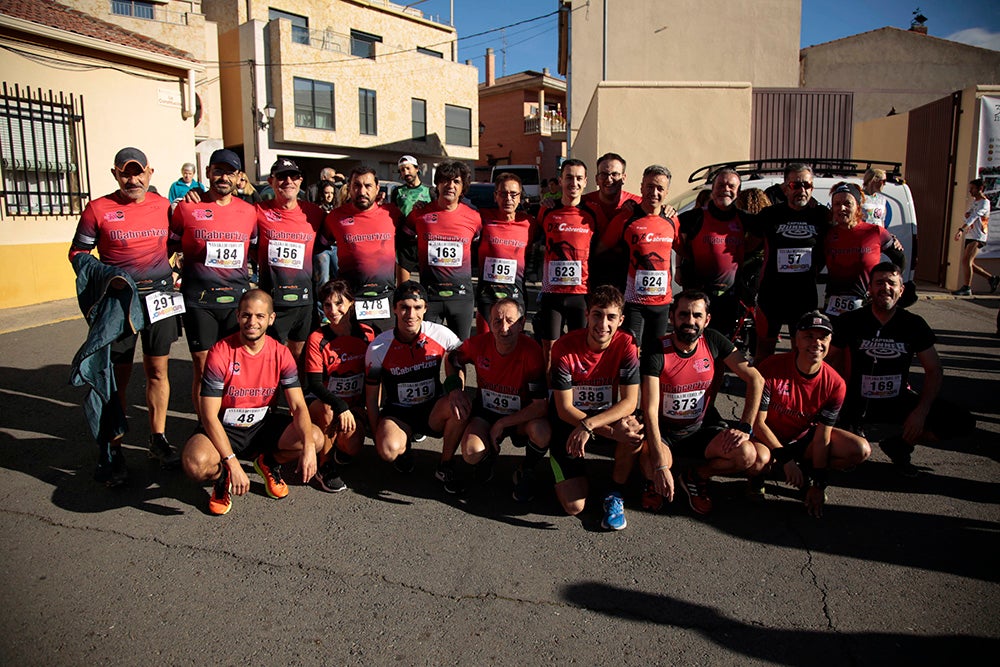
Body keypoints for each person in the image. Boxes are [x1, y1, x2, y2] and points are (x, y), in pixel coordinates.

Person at [69, 147, 181, 484]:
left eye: (138, 172)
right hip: (121, 302)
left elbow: (178, 242)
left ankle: (157, 439)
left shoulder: (164, 206)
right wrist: (104, 275)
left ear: (149, 172)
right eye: (125, 173)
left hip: (160, 297)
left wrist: (178, 269)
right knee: (116, 377)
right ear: (116, 174)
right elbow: (77, 252)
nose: (132, 179)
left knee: (158, 371)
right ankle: (114, 446)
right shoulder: (98, 209)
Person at [180, 290, 324, 515]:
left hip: (261, 426)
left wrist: (307, 446)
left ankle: (268, 461)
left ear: (271, 319)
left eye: (259, 316)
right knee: (195, 463)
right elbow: (208, 415)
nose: (252, 322)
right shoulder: (220, 352)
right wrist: (232, 463)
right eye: (246, 315)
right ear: (237, 316)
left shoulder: (281, 353)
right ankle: (223, 476)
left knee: (314, 438)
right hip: (225, 427)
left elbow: (297, 406)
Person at [829, 262, 976, 475]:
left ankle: (900, 444)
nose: (885, 288)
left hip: (896, 400)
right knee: (846, 452)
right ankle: (847, 436)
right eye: (879, 283)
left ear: (901, 289)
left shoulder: (913, 324)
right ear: (869, 288)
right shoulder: (850, 321)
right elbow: (829, 360)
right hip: (854, 400)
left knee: (961, 422)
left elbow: (934, 369)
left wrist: (921, 411)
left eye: (891, 283)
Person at [640, 290, 766, 515]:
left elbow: (756, 379)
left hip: (701, 429)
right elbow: (649, 410)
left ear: (707, 319)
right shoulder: (657, 349)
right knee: (651, 464)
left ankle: (696, 476)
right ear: (672, 317)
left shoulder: (714, 340)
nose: (690, 321)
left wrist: (745, 426)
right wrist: (659, 465)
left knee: (747, 455)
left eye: (697, 315)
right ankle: (654, 481)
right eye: (683, 314)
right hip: (665, 431)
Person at [752, 311, 871, 518]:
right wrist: (786, 460)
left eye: (822, 337)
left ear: (830, 341)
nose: (816, 343)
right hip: (767, 438)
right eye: (809, 336)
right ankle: (761, 475)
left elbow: (822, 437)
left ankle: (804, 473)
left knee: (859, 449)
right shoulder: (770, 367)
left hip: (802, 440)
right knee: (756, 460)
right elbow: (758, 422)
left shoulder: (835, 384)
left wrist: (819, 484)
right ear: (796, 339)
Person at [170, 148, 258, 419]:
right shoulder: (187, 207)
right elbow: (169, 246)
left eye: (229, 172)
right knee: (203, 365)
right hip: (199, 300)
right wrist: (172, 273)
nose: (223, 177)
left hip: (235, 301)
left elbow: (255, 249)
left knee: (235, 364)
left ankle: (231, 421)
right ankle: (206, 425)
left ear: (239, 177)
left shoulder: (249, 212)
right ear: (207, 173)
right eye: (217, 171)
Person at [549, 286, 642, 530]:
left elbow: (630, 401)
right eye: (598, 315)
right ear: (587, 315)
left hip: (596, 418)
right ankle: (560, 462)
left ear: (620, 320)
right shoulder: (563, 348)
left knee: (633, 429)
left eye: (611, 317)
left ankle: (615, 493)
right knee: (574, 507)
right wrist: (601, 430)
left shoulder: (627, 345)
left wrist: (590, 425)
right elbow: (564, 409)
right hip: (570, 420)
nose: (603, 323)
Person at [364, 281, 468, 493]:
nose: (410, 314)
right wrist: (377, 434)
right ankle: (404, 450)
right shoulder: (378, 347)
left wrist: (457, 389)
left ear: (425, 309)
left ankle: (445, 464)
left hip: (433, 408)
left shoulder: (441, 334)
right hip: (398, 413)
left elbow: (458, 363)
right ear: (394, 308)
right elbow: (372, 399)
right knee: (387, 450)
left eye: (417, 307)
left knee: (461, 406)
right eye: (404, 307)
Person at [448, 298, 550, 500]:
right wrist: (455, 389)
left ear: (521, 324)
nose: (504, 328)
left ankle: (526, 469)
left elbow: (540, 407)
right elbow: (452, 357)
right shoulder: (478, 344)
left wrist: (503, 423)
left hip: (521, 415)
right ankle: (488, 457)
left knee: (542, 431)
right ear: (490, 323)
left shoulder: (532, 352)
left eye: (511, 321)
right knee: (470, 452)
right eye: (497, 321)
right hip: (486, 412)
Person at [750, 164, 832, 363]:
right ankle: (762, 392)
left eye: (807, 185)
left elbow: (847, 232)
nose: (801, 190)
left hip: (804, 296)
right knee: (764, 352)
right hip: (772, 295)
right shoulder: (770, 215)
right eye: (795, 185)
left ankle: (796, 392)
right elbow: (746, 245)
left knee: (802, 351)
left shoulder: (822, 216)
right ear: (785, 187)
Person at [304, 280, 377, 492]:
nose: (333, 310)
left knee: (352, 447)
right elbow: (314, 384)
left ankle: (338, 445)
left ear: (351, 303)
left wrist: (368, 414)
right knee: (328, 410)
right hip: (323, 402)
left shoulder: (367, 334)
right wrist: (340, 406)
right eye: (327, 305)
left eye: (339, 303)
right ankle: (324, 466)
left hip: (352, 404)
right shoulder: (317, 338)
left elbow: (372, 379)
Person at [596, 164, 678, 351]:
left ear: (666, 192)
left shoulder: (672, 219)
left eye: (660, 188)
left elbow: (685, 250)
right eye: (649, 187)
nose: (654, 193)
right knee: (630, 352)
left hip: (661, 303)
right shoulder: (626, 218)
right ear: (641, 187)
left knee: (655, 354)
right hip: (633, 302)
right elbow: (601, 250)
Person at [537, 158, 605, 369]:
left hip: (581, 294)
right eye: (568, 178)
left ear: (585, 182)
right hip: (552, 293)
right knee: (549, 346)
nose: (573, 183)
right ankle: (550, 396)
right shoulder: (547, 210)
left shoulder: (593, 212)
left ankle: (574, 391)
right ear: (560, 180)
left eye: (578, 178)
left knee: (579, 346)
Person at [255, 158, 325, 361]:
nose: (288, 181)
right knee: (271, 356)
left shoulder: (314, 213)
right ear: (271, 181)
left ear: (300, 180)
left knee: (300, 355)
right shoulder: (258, 211)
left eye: (293, 176)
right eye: (282, 177)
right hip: (272, 300)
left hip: (304, 300)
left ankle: (299, 392)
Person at [407, 160, 482, 340]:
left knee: (460, 354)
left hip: (461, 297)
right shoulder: (420, 214)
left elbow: (479, 245)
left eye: (456, 181)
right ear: (437, 184)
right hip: (429, 298)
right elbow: (403, 247)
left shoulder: (474, 217)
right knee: (426, 355)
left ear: (463, 187)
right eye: (445, 180)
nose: (450, 185)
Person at [322, 166, 400, 334]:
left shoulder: (392, 213)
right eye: (356, 185)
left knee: (385, 351)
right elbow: (320, 245)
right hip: (351, 299)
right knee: (354, 352)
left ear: (377, 188)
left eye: (368, 186)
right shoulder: (335, 217)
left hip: (385, 297)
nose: (362, 191)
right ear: (349, 188)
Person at [677, 168, 748, 339]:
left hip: (729, 296)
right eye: (721, 185)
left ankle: (719, 368)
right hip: (698, 293)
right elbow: (676, 239)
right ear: (713, 188)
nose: (726, 189)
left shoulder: (745, 219)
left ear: (738, 191)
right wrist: (680, 267)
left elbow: (759, 242)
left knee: (723, 342)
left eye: (731, 186)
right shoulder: (694, 217)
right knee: (694, 340)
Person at [823, 182, 904, 317]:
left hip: (866, 304)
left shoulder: (875, 232)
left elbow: (899, 258)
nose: (842, 208)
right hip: (833, 305)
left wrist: (890, 284)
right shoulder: (827, 234)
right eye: (837, 204)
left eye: (848, 203)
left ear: (858, 207)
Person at [475, 172, 536, 332]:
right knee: (485, 346)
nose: (508, 199)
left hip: (516, 295)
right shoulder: (482, 218)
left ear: (520, 197)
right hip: (487, 296)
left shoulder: (530, 223)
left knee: (513, 345)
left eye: (513, 194)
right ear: (496, 196)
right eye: (503, 193)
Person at [583, 152, 642, 289]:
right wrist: (549, 203)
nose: (609, 179)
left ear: (623, 178)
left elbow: (657, 213)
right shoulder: (584, 203)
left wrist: (669, 210)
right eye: (603, 174)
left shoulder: (637, 204)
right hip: (591, 274)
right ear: (596, 179)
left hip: (626, 277)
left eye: (614, 174)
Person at [952, 178, 998, 296]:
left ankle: (967, 287)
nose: (970, 191)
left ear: (980, 189)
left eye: (972, 188)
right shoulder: (975, 202)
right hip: (971, 234)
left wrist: (961, 229)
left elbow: (974, 216)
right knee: (968, 263)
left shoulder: (984, 202)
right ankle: (991, 278)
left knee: (966, 261)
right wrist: (966, 217)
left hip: (978, 236)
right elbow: (968, 216)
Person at [392, 155, 433, 283]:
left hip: (424, 243)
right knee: (402, 287)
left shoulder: (430, 191)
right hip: (404, 244)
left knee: (427, 286)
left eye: (408, 169)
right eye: (402, 170)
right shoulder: (397, 192)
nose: (406, 173)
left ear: (417, 169)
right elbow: (393, 216)